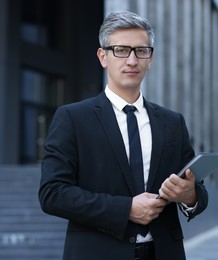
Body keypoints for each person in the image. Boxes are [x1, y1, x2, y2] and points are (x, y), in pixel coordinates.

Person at [38, 11, 208, 260]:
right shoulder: (73, 118)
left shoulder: (173, 122)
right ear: (102, 56)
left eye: (141, 51)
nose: (132, 60)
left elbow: (198, 192)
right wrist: (125, 209)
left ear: (150, 58)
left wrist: (188, 195)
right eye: (120, 50)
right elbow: (52, 193)